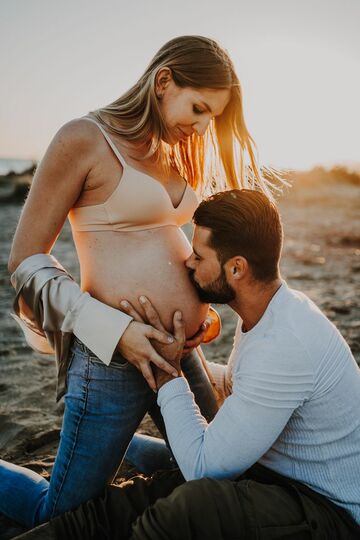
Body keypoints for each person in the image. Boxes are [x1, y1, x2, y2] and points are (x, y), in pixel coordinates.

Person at [1, 36, 271, 528]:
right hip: (110, 360)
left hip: (180, 349)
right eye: (199, 108)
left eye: (214, 116)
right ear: (163, 81)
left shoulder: (178, 150)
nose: (204, 125)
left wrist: (202, 314)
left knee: (220, 471)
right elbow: (23, 261)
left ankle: (121, 446)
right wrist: (117, 330)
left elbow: (179, 244)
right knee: (61, 514)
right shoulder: (83, 139)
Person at [32, 189, 359, 539]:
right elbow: (252, 385)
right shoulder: (274, 311)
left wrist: (168, 373)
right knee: (130, 501)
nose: (188, 262)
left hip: (328, 510)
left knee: (190, 507)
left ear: (236, 268)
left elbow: (203, 467)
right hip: (274, 474)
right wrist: (188, 357)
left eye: (199, 256)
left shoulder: (285, 343)